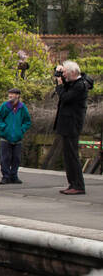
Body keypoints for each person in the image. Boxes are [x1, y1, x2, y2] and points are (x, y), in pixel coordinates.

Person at [54, 60, 93, 195]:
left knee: (72, 156)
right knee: (68, 156)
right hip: (67, 123)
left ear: (72, 73)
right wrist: (58, 71)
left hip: (72, 124)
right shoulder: (75, 83)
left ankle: (78, 185)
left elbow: (65, 97)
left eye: (64, 73)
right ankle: (73, 184)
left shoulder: (79, 86)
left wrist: (59, 85)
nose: (63, 75)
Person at [0, 87, 32, 184]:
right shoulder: (4, 106)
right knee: (5, 158)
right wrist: (4, 127)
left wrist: (21, 130)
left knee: (16, 158)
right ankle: (5, 177)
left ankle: (14, 176)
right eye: (9, 94)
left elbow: (27, 121)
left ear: (18, 96)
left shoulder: (22, 107)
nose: (10, 96)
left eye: (12, 94)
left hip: (17, 137)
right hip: (5, 137)